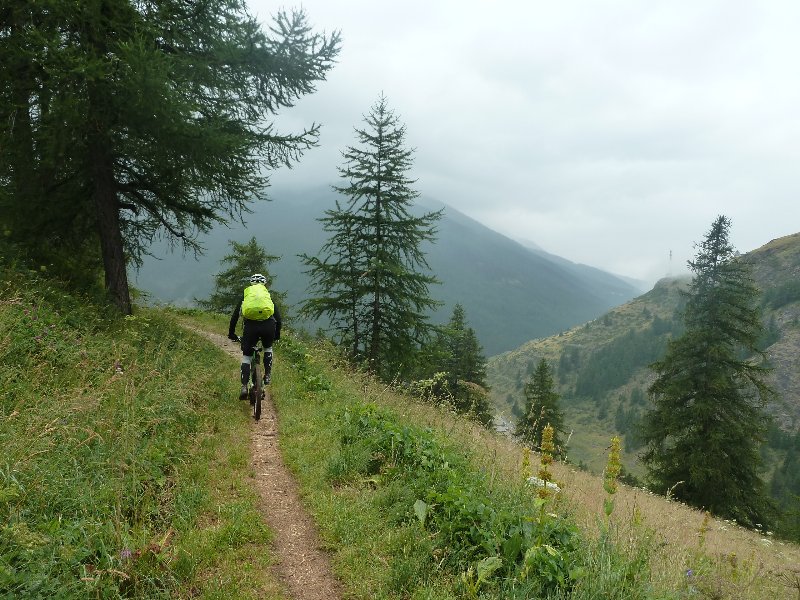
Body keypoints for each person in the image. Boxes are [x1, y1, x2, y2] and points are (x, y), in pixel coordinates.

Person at [228, 273, 282, 399]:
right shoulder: (267, 296)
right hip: (268, 326)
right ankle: (267, 375)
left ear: (251, 284)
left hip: (251, 327)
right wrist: (277, 334)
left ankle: (244, 387)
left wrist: (231, 333)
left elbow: (235, 316)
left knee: (246, 356)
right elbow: (278, 318)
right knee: (268, 348)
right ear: (264, 284)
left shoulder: (247, 295)